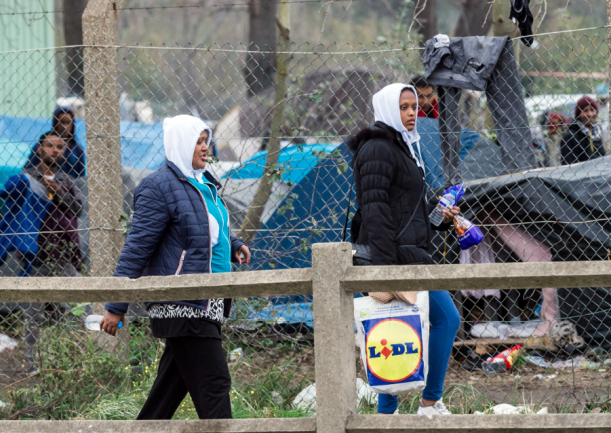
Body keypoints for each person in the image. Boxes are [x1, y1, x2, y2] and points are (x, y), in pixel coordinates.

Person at [100, 115, 251, 420]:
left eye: (206, 140)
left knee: (167, 393)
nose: (205, 148)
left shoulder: (203, 181)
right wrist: (116, 306)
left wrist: (233, 245)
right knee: (214, 383)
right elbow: (137, 248)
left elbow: (205, 229)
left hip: (209, 300)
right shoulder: (159, 187)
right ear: (182, 144)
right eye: (198, 141)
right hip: (182, 303)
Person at [346, 83, 460, 415]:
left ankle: (396, 411)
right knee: (431, 321)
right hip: (392, 257)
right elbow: (376, 212)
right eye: (404, 107)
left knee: (399, 328)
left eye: (414, 107)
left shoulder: (404, 146)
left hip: (409, 253)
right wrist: (386, 272)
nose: (412, 113)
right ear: (387, 110)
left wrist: (438, 217)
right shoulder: (378, 149)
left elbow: (405, 207)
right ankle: (424, 403)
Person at [26, 107, 86, 178]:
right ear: (55, 123)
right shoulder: (43, 145)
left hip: (68, 187)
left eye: (68, 123)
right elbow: (28, 168)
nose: (65, 126)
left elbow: (81, 176)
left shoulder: (77, 149)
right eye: (62, 122)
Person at [560, 96, 605, 165]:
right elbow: (569, 165)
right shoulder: (570, 137)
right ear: (578, 114)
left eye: (592, 110)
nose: (589, 114)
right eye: (585, 110)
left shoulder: (597, 132)